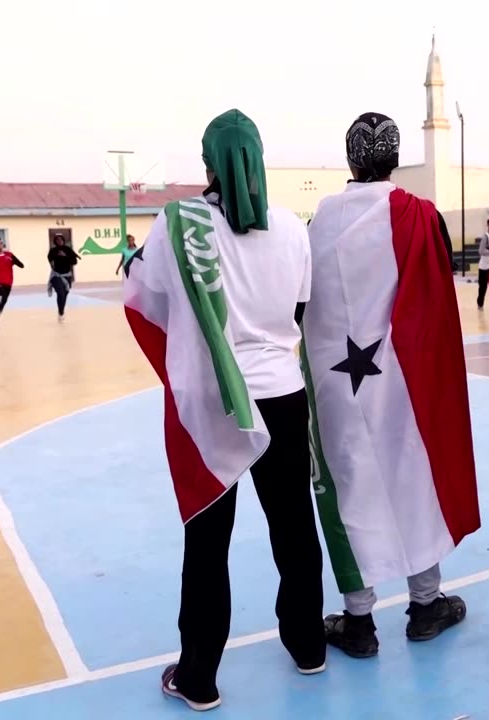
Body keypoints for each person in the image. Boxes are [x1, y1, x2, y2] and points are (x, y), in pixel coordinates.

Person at [122, 109, 326, 711]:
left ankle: (200, 675)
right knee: (294, 526)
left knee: (208, 540)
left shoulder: (177, 224)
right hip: (284, 396)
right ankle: (309, 645)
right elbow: (298, 309)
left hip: (217, 403)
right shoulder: (292, 227)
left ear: (209, 164)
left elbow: (148, 299)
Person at [303, 112, 479, 660]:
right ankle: (426, 604)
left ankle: (359, 621)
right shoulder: (417, 215)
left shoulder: (321, 219)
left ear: (352, 158)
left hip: (336, 379)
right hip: (401, 376)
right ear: (394, 158)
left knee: (347, 484)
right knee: (412, 472)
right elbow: (434, 299)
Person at [0, 238, 24, 333]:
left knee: (2, 302)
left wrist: (14, 260)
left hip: (8, 283)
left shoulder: (9, 255)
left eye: (1, 243)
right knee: (1, 297)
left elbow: (21, 265)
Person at [46, 235, 79, 321]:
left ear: (63, 240)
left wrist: (64, 256)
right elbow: (50, 260)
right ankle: (61, 313)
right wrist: (53, 261)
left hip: (67, 275)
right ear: (55, 241)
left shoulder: (68, 250)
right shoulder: (53, 251)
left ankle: (61, 311)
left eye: (61, 239)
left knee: (65, 294)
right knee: (60, 293)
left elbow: (75, 262)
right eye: (57, 239)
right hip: (56, 275)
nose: (59, 241)